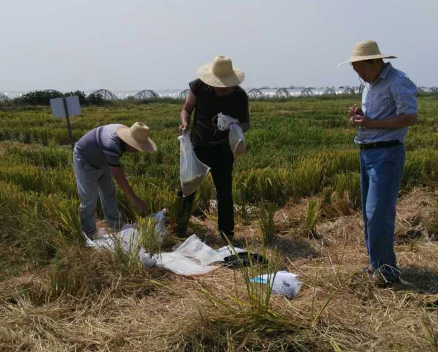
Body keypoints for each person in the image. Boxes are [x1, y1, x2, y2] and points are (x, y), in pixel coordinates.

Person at [339, 40, 418, 284]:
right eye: (355, 70)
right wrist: (360, 118)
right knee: (368, 212)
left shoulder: (397, 81)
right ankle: (377, 265)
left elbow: (410, 117)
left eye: (361, 69)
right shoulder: (370, 85)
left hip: (387, 155)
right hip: (367, 152)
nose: (359, 74)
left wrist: (370, 124)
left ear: (375, 61)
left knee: (378, 213)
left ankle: (387, 271)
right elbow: (375, 118)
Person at [177, 55, 250, 244]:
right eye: (217, 83)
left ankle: (227, 234)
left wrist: (234, 125)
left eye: (224, 84)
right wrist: (184, 123)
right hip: (198, 146)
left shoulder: (240, 96)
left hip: (223, 149)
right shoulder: (199, 87)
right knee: (187, 188)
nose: (220, 88)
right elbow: (186, 109)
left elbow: (246, 123)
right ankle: (179, 228)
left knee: (224, 192)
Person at [73, 122, 157, 239]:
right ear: (129, 142)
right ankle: (88, 235)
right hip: (85, 159)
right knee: (89, 198)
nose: (138, 150)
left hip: (102, 160)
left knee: (109, 194)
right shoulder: (112, 144)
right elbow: (118, 176)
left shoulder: (123, 135)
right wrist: (134, 198)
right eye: (137, 146)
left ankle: (116, 227)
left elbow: (115, 168)